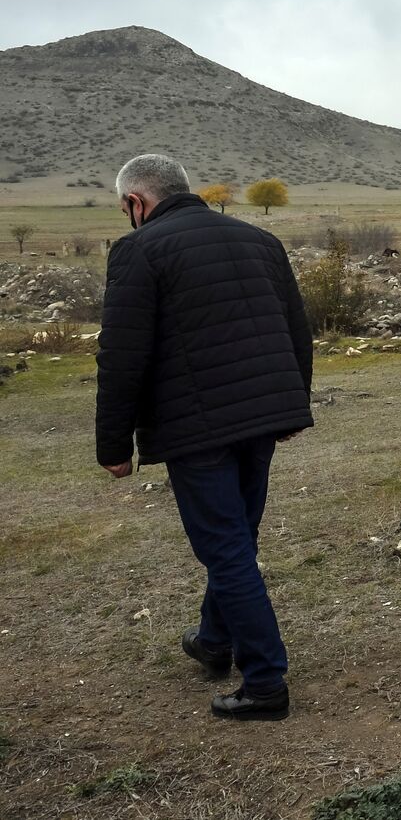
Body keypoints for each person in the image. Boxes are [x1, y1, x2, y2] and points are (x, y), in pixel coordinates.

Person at [96, 154, 313, 721]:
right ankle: (214, 643)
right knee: (238, 537)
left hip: (195, 428)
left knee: (226, 547)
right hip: (261, 416)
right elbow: (296, 330)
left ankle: (265, 681)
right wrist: (291, 407)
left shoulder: (138, 251)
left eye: (126, 209)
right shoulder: (259, 240)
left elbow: (122, 358)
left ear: (135, 203)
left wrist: (114, 445)